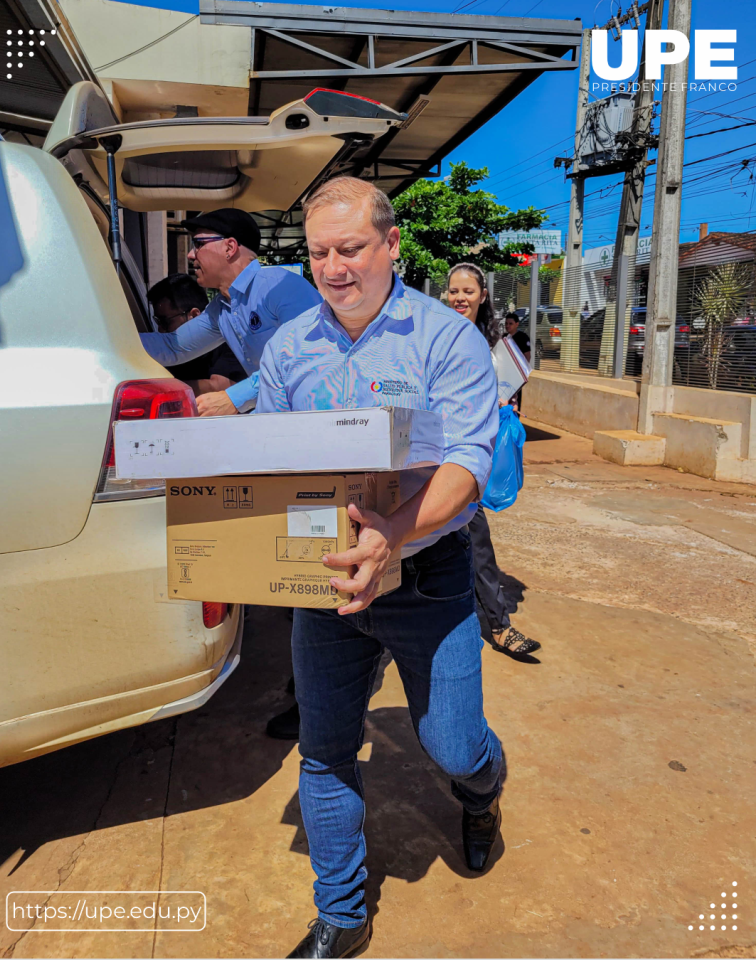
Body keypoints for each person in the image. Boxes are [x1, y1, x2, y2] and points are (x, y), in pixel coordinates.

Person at [257, 178, 507, 959]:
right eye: (319, 252)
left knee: (453, 745)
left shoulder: (445, 339)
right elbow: (265, 460)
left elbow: (467, 464)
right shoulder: (289, 346)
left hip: (428, 579)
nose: (333, 268)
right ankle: (341, 914)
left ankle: (481, 794)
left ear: (392, 246)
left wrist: (392, 536)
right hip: (325, 578)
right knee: (325, 748)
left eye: (351, 249)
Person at [139, 208, 322, 416]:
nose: (191, 255)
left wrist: (233, 398)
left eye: (198, 244)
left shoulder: (281, 287)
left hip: (314, 420)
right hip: (274, 421)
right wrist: (105, 343)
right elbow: (173, 347)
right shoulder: (221, 309)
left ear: (230, 247)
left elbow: (306, 357)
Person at [447, 264, 541, 660]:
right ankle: (497, 625)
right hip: (433, 450)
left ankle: (498, 624)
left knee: (474, 537)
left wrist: (505, 403)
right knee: (466, 540)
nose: (460, 298)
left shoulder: (493, 345)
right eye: (453, 290)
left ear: (483, 295)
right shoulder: (435, 335)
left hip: (468, 456)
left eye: (468, 290)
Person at [146, 273, 247, 396]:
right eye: (157, 321)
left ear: (194, 315)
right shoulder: (158, 352)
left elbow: (219, 386)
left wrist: (155, 390)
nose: (160, 329)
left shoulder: (226, 340)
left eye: (165, 321)